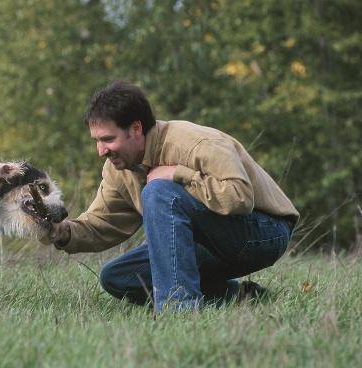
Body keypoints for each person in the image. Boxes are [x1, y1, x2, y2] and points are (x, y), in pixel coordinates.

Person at [45, 80, 299, 313]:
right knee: (118, 276)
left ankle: (180, 309)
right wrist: (63, 231)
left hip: (265, 234)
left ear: (135, 129)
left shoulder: (196, 143)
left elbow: (240, 197)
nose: (101, 150)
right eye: (96, 141)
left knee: (159, 192)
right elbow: (103, 224)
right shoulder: (118, 168)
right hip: (208, 244)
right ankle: (240, 295)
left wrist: (178, 173)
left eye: (108, 139)